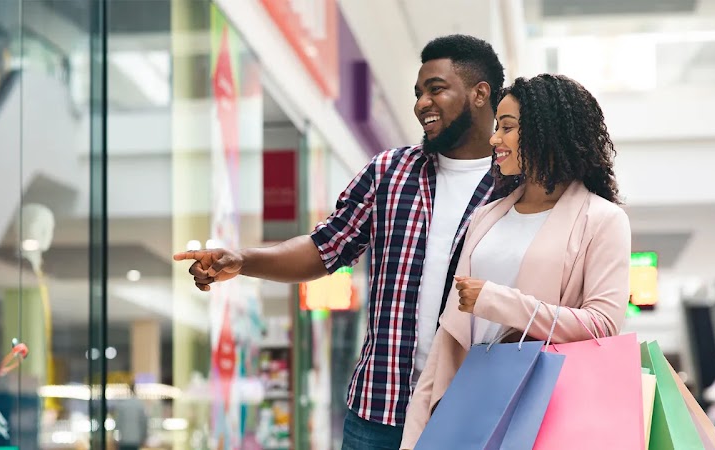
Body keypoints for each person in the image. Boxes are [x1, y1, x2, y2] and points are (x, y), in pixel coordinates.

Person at [174, 34, 506, 450]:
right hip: (380, 413)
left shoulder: (516, 185)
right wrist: (243, 260)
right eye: (418, 93)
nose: (422, 103)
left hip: (474, 412)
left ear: (480, 94)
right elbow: (324, 247)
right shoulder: (390, 172)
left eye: (436, 89)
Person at [400, 73, 631, 448]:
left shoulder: (602, 220)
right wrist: (415, 435)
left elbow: (602, 326)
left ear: (546, 132)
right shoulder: (487, 217)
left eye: (506, 127)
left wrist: (497, 301)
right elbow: (450, 336)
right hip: (471, 401)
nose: (494, 139)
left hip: (547, 408)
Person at [113, 383, 148, 450]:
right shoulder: (139, 405)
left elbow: (117, 423)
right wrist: (144, 437)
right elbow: (144, 423)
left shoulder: (122, 405)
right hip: (136, 439)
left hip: (124, 439)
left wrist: (115, 439)